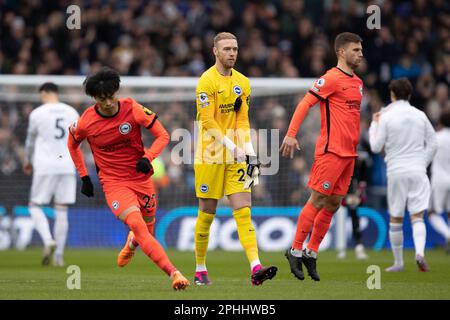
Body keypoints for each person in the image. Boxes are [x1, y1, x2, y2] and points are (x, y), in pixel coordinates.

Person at [67, 67, 189, 290]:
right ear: (94, 98)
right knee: (137, 224)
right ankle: (175, 273)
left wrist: (148, 157)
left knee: (146, 232)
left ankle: (133, 242)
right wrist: (84, 176)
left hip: (141, 178)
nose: (107, 103)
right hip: (114, 183)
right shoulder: (86, 122)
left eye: (111, 96)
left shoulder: (133, 109)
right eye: (101, 99)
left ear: (117, 91)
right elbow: (72, 144)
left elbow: (163, 135)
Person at [193, 32, 277, 286]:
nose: (232, 53)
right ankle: (200, 269)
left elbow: (242, 119)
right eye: (227, 49)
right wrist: (231, 145)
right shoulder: (206, 81)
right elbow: (207, 121)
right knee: (207, 212)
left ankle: (255, 267)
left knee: (243, 211)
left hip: (237, 157)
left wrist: (249, 150)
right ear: (215, 52)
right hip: (209, 155)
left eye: (235, 49)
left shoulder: (243, 82)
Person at [280, 32, 364, 281]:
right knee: (317, 198)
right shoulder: (330, 78)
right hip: (331, 151)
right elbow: (305, 103)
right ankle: (294, 249)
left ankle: (311, 253)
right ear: (341, 52)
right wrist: (291, 134)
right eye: (356, 50)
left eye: (361, 50)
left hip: (349, 154)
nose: (360, 54)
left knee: (334, 203)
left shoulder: (358, 83)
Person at [369, 77, 437, 272]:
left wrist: (374, 124)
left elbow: (375, 147)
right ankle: (420, 253)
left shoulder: (386, 116)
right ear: (409, 94)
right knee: (417, 217)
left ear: (392, 95)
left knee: (396, 218)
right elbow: (433, 143)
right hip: (417, 170)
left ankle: (398, 263)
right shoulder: (420, 115)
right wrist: (422, 162)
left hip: (396, 170)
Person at [24, 82, 79, 266]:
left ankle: (48, 241)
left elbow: (30, 142)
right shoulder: (71, 112)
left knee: (34, 205)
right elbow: (78, 139)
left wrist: (27, 161)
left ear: (45, 92)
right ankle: (59, 257)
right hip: (67, 165)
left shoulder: (37, 113)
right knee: (62, 210)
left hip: (45, 165)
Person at [428, 110, 450, 254]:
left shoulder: (436, 137)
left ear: (440, 123)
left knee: (432, 213)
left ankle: (448, 235)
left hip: (439, 179)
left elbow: (426, 157)